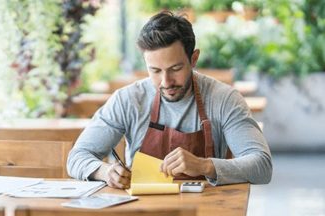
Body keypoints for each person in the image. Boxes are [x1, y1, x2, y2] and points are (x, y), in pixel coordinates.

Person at [67, 11, 272, 189]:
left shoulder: (224, 99)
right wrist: (105, 172)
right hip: (141, 210)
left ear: (194, 59)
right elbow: (77, 157)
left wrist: (203, 166)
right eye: (155, 70)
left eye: (175, 69)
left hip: (206, 210)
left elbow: (262, 166)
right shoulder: (128, 100)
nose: (166, 82)